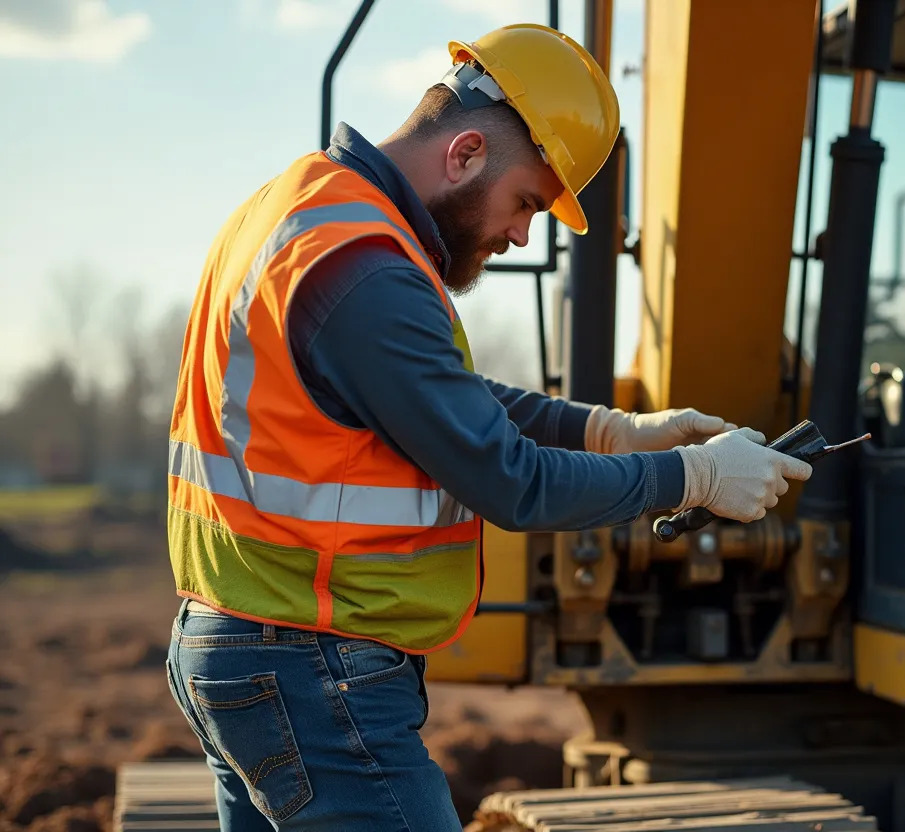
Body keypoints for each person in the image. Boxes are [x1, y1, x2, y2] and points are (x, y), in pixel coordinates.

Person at [163, 22, 813, 831]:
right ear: (465, 153)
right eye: (527, 203)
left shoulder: (301, 212)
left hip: (247, 643)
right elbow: (513, 481)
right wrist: (697, 478)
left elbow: (451, 398)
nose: (520, 234)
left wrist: (616, 431)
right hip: (312, 664)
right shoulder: (363, 265)